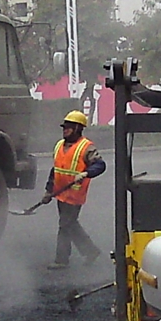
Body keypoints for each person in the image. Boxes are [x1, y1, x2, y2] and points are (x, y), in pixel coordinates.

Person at [46, 109, 107, 270]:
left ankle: (61, 260)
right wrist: (48, 191)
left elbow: (100, 165)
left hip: (74, 194)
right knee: (71, 224)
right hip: (60, 193)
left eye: (69, 127)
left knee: (65, 225)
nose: (65, 130)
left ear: (78, 128)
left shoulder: (86, 147)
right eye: (64, 127)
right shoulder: (59, 145)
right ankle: (91, 251)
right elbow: (55, 170)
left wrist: (87, 172)